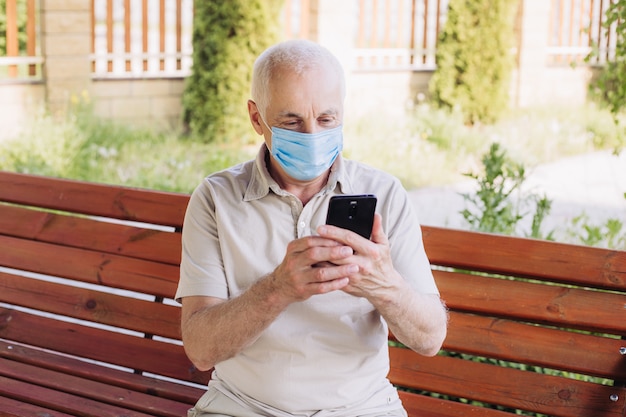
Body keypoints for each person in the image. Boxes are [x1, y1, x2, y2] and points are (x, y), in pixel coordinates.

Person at [176, 39, 448, 417]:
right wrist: (277, 289)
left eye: (326, 120)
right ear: (257, 118)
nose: (312, 136)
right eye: (291, 122)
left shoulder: (384, 194)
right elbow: (201, 350)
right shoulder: (216, 199)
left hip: (362, 407)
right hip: (242, 405)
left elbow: (430, 338)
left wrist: (384, 284)